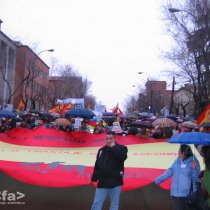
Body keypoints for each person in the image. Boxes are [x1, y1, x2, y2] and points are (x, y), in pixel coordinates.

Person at [154, 144, 200, 210]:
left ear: (183, 153)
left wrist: (193, 169)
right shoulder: (177, 160)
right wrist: (157, 180)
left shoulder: (194, 162)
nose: (178, 152)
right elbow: (169, 172)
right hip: (174, 193)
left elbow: (195, 178)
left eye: (179, 150)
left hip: (186, 194)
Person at [90, 130, 128, 210]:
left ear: (114, 139)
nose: (108, 140)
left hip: (116, 182)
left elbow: (122, 157)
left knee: (114, 206)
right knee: (96, 204)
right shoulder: (101, 150)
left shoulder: (122, 148)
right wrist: (94, 178)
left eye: (111, 138)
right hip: (102, 182)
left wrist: (114, 147)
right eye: (107, 138)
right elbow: (97, 165)